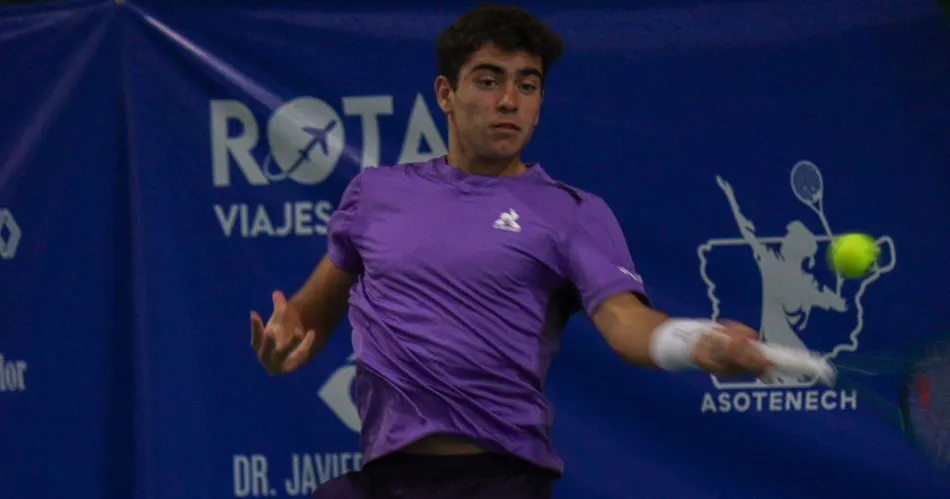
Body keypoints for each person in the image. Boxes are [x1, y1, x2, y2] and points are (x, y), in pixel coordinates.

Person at [249, 4, 772, 498]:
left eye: (527, 84)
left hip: (495, 479)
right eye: (488, 80)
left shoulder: (571, 212)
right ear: (445, 93)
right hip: (383, 476)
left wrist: (699, 341)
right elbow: (310, 316)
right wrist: (286, 338)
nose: (508, 101)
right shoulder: (374, 194)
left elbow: (627, 324)